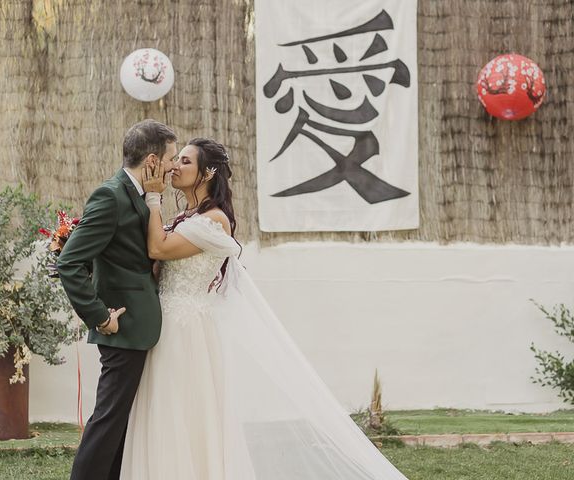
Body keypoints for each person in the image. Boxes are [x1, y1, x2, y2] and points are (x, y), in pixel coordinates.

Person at [119, 138, 410, 479]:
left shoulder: (214, 221)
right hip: (166, 327)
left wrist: (153, 197)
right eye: (177, 159)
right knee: (165, 414)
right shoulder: (186, 216)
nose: (175, 166)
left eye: (185, 161)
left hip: (188, 334)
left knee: (188, 415)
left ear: (208, 172)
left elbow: (159, 248)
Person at [57, 119, 178, 480]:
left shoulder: (139, 195)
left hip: (139, 328)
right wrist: (99, 316)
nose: (174, 166)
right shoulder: (110, 195)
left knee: (120, 419)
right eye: (171, 158)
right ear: (153, 160)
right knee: (109, 419)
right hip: (122, 327)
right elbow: (70, 262)